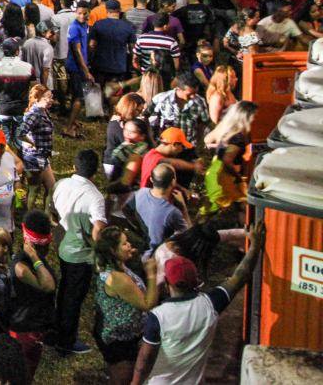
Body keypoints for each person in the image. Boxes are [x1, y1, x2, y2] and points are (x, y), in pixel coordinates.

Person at [130, 221, 266, 385]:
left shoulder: (158, 317)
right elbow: (240, 276)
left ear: (166, 283)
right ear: (196, 280)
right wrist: (255, 246)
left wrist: (135, 382)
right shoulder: (210, 304)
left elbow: (145, 359)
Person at [50, 148, 106, 357]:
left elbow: (52, 210)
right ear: (95, 171)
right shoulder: (95, 197)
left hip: (62, 245)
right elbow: (98, 228)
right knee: (73, 298)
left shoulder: (61, 184)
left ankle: (56, 328)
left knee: (64, 290)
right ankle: (65, 342)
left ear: (74, 166)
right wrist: (101, 252)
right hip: (81, 254)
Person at [93, 226, 159, 384]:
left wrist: (129, 254)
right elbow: (147, 304)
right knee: (123, 379)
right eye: (124, 244)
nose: (129, 245)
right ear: (112, 251)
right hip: (118, 340)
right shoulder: (117, 278)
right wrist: (152, 275)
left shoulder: (113, 265)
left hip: (124, 334)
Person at [7, 211, 56, 379]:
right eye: (44, 246)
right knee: (21, 375)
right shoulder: (22, 267)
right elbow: (48, 286)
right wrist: (35, 257)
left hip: (35, 328)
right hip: (25, 331)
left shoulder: (37, 259)